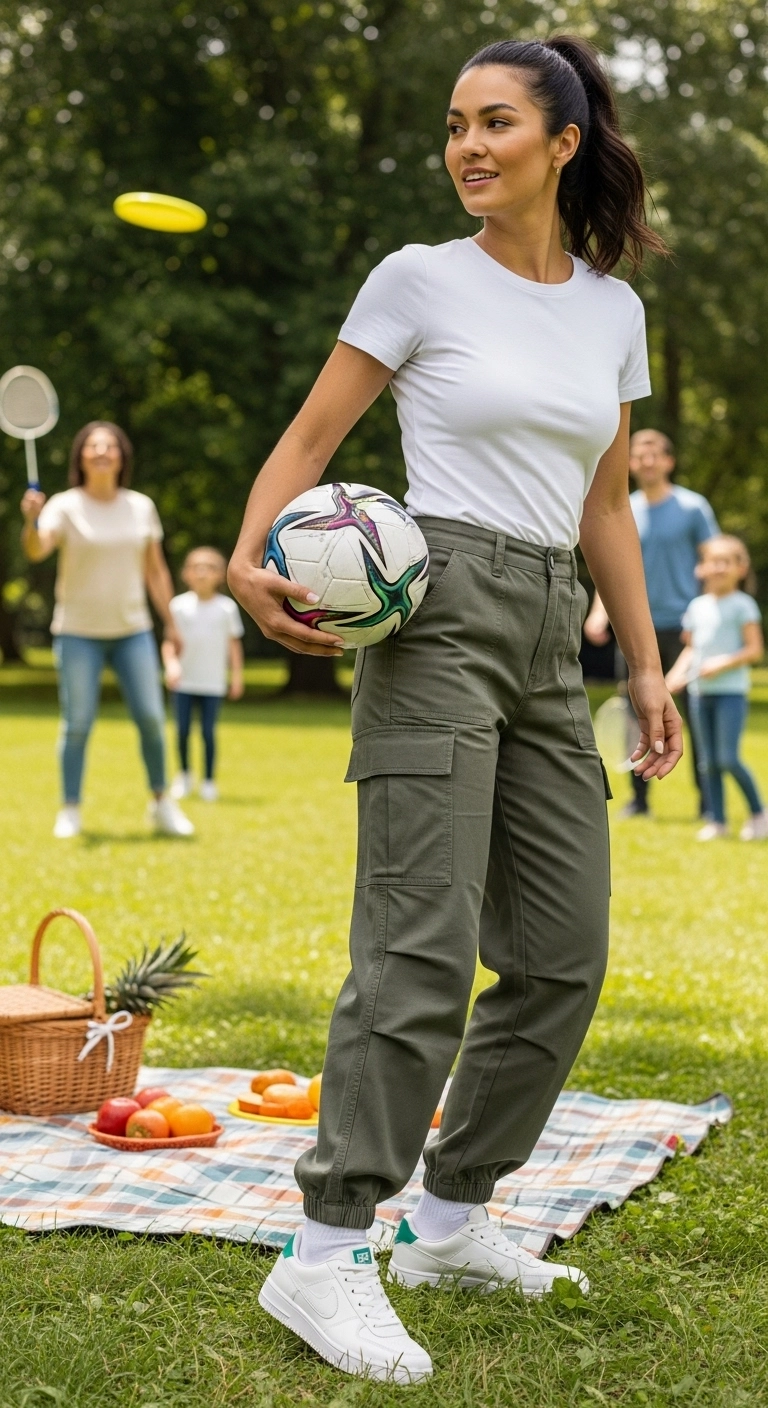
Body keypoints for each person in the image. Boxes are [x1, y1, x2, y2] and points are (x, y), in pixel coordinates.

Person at [229, 35, 682, 1383]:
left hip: (555, 631)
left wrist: (646, 666)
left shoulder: (611, 310)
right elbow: (313, 440)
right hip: (434, 612)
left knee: (561, 953)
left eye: (494, 124)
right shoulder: (418, 279)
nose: (468, 147)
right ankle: (324, 1253)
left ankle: (449, 1214)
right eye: (452, 127)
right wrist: (255, 560)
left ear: (563, 142)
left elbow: (606, 507)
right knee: (418, 951)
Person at [20, 421, 194, 838]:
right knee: (77, 723)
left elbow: (155, 571)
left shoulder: (140, 506)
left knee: (152, 718)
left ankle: (160, 803)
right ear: (80, 456)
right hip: (77, 632)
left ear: (122, 456)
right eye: (93, 445)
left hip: (132, 629)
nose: (101, 451)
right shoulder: (63, 505)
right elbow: (37, 549)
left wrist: (170, 623)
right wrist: (30, 521)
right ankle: (70, 809)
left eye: (110, 445)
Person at [584, 428, 717, 817]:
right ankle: (639, 802)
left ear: (669, 461)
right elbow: (611, 568)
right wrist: (598, 613)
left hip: (685, 627)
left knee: (694, 716)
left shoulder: (693, 508)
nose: (646, 460)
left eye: (654, 453)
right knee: (635, 715)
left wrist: (708, 616)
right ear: (628, 462)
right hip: (636, 627)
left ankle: (710, 804)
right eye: (638, 453)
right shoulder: (621, 509)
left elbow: (714, 562)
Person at [666, 535, 765, 841]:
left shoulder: (743, 605)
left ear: (741, 568)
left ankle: (759, 813)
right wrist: (672, 677)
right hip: (699, 694)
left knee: (727, 759)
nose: (719, 567)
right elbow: (691, 650)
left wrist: (720, 664)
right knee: (707, 762)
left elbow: (754, 651)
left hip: (730, 694)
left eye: (727, 561)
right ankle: (718, 821)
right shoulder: (697, 606)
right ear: (702, 568)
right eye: (713, 561)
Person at [162, 546, 245, 801]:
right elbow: (168, 642)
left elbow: (233, 645)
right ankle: (184, 776)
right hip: (184, 681)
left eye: (209, 568)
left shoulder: (227, 608)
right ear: (186, 574)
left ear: (220, 575)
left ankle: (208, 781)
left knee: (208, 732)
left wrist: (237, 677)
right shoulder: (177, 606)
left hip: (212, 682)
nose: (202, 573)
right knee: (183, 731)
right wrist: (171, 665)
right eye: (196, 567)